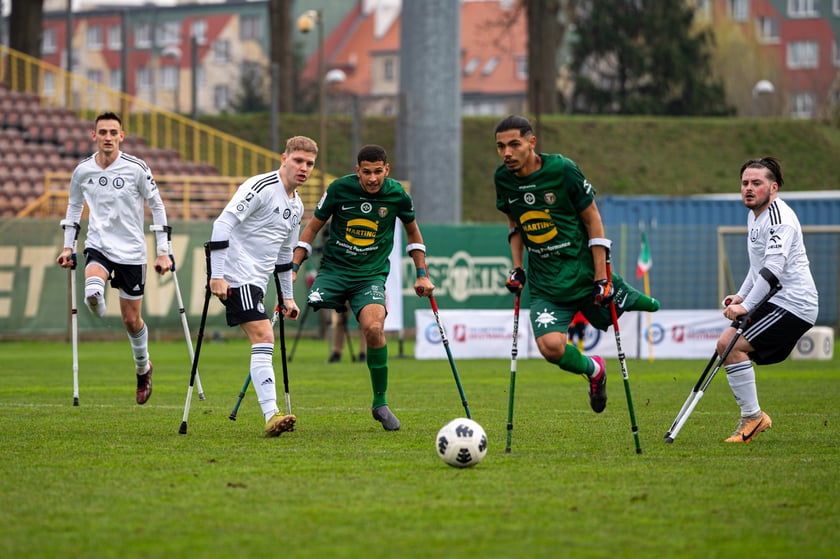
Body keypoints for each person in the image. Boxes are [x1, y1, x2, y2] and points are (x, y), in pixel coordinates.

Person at [493, 115, 660, 413]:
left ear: (532, 143)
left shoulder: (562, 170)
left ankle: (623, 291)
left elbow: (593, 218)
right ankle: (595, 371)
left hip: (582, 275)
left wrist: (601, 277)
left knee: (650, 305)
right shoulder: (502, 179)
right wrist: (517, 267)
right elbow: (514, 223)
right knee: (550, 348)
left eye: (514, 144)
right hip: (546, 285)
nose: (507, 153)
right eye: (500, 146)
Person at [292, 144, 433, 431]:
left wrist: (422, 274)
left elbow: (412, 231)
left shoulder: (397, 195)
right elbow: (312, 228)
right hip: (334, 272)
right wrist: (292, 269)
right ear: (357, 170)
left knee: (373, 328)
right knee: (308, 309)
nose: (372, 179)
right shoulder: (338, 189)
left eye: (377, 172)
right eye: (366, 172)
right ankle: (271, 402)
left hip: (369, 276)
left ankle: (380, 402)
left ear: (387, 170)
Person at [56, 111, 172, 405]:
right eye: (102, 132)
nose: (108, 137)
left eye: (113, 132)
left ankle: (143, 367)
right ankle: (96, 296)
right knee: (93, 290)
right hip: (99, 245)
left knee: (131, 320)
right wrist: (68, 247)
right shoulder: (82, 171)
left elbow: (157, 208)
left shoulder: (136, 168)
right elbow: (73, 208)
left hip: (132, 251)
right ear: (93, 136)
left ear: (122, 136)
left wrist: (163, 252)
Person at [208, 136, 318, 437]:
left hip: (257, 280)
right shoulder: (260, 187)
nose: (303, 168)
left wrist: (287, 298)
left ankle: (272, 415)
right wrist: (217, 275)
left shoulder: (296, 206)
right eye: (298, 161)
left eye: (309, 164)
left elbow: (285, 255)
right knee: (263, 335)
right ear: (284, 158)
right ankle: (272, 415)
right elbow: (222, 224)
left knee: (262, 339)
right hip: (234, 273)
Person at [717, 157, 818, 443]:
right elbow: (757, 266)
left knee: (730, 344)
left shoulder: (779, 219)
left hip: (794, 303)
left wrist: (746, 306)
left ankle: (753, 417)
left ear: (773, 188)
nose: (748, 188)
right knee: (727, 345)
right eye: (745, 183)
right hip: (778, 300)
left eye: (756, 183)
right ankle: (753, 416)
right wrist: (740, 294)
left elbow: (773, 270)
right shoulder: (754, 216)